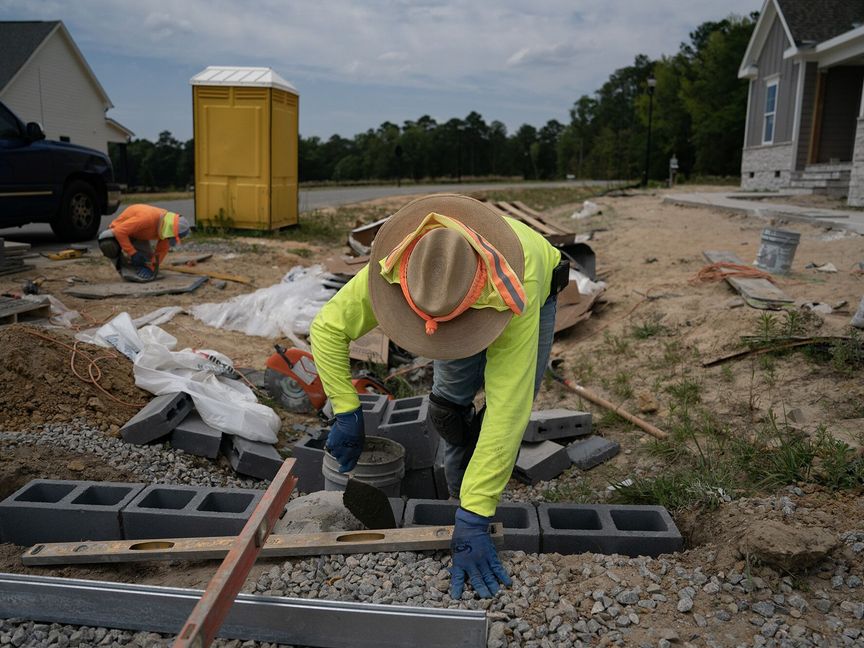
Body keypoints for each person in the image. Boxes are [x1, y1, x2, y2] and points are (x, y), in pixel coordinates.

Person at [309, 194, 569, 599]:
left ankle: (472, 498)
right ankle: (455, 489)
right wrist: (346, 409)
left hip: (531, 286)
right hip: (460, 289)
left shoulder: (519, 288)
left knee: (493, 421)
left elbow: (508, 410)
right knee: (448, 409)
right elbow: (326, 328)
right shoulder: (407, 262)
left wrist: (475, 517)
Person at [97, 204, 191, 281]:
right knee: (107, 244)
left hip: (137, 235)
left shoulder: (167, 228)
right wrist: (133, 253)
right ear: (170, 230)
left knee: (146, 262)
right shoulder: (147, 218)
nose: (169, 239)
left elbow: (161, 250)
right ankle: (122, 267)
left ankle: (132, 271)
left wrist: (151, 268)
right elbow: (120, 231)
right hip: (118, 231)